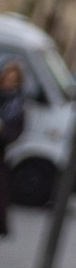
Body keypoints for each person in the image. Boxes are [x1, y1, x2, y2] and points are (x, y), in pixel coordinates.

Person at [0, 54, 25, 234]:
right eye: (7, 79)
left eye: (13, 81)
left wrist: (3, 130)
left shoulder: (17, 104)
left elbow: (16, 131)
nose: (9, 83)